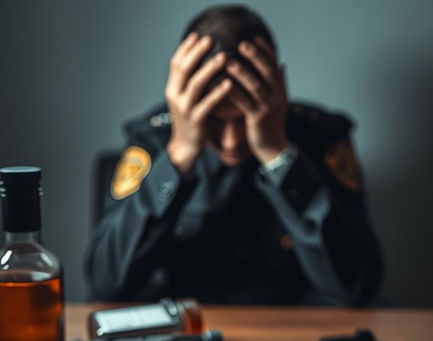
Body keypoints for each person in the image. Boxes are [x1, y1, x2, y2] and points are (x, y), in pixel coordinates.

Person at [86, 4, 383, 305]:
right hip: (189, 326)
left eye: (244, 117)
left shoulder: (319, 136)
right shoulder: (154, 139)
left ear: (277, 91)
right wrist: (180, 154)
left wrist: (276, 152)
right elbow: (106, 284)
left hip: (297, 328)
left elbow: (357, 288)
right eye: (213, 119)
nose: (231, 141)